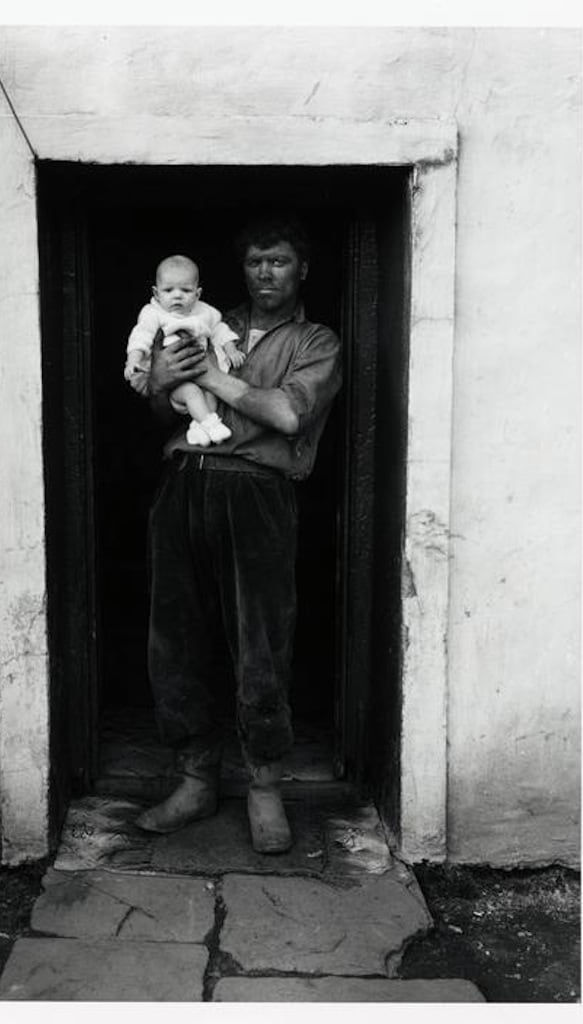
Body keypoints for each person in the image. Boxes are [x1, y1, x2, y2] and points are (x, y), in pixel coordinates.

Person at [135, 215, 343, 854]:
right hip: (185, 481)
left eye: (278, 261)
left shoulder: (316, 340)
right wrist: (168, 377)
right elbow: (153, 397)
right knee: (176, 638)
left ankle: (263, 788)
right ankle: (195, 781)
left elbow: (285, 412)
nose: (266, 273)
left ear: (300, 268)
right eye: (255, 262)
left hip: (257, 491)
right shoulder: (199, 315)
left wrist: (215, 378)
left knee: (260, 641)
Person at [124, 254, 245, 446]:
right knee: (192, 393)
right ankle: (211, 424)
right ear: (156, 293)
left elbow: (220, 331)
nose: (177, 295)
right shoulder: (154, 313)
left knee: (212, 393)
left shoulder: (205, 311)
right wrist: (133, 360)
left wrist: (231, 350)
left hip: (202, 372)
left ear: (197, 294)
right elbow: (141, 337)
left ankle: (198, 429)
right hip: (173, 380)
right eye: (169, 290)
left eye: (186, 290)